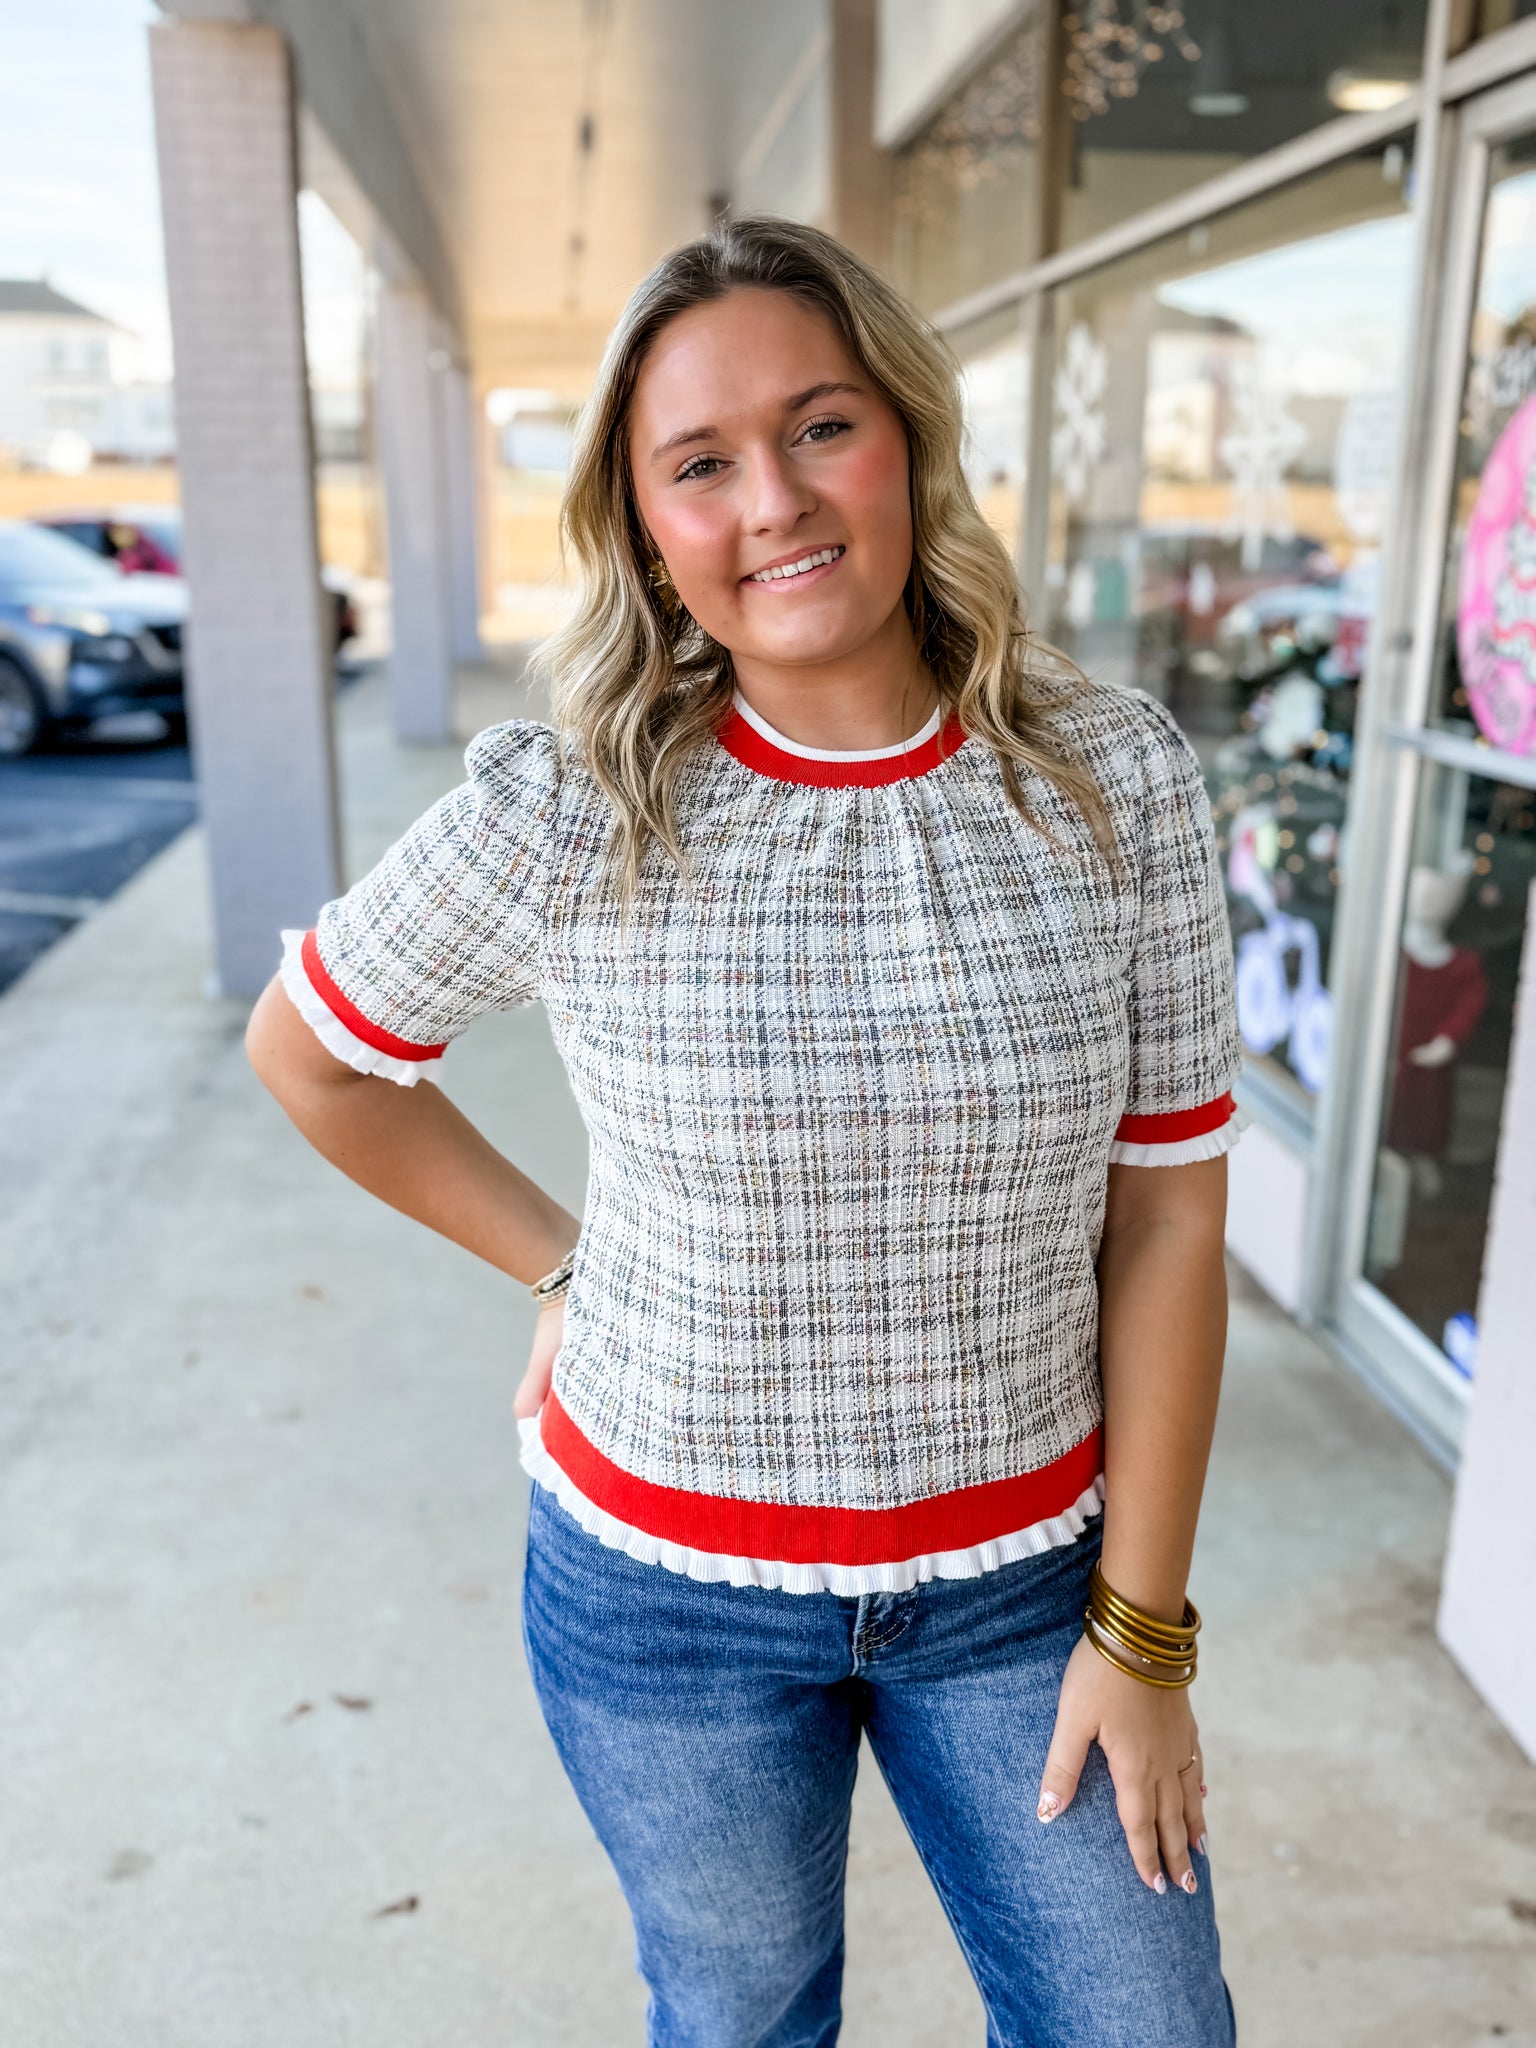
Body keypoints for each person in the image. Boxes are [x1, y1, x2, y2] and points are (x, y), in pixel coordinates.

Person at [246, 215, 1246, 2047]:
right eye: (698, 463)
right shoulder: (576, 803)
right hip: (663, 1602)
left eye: (821, 425)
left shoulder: (1114, 781)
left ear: (911, 440)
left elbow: (1173, 1218)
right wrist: (563, 1260)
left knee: (1146, 2027)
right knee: (742, 2018)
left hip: (1032, 1588)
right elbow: (316, 1053)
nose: (771, 499)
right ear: (643, 526)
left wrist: (1145, 1632)